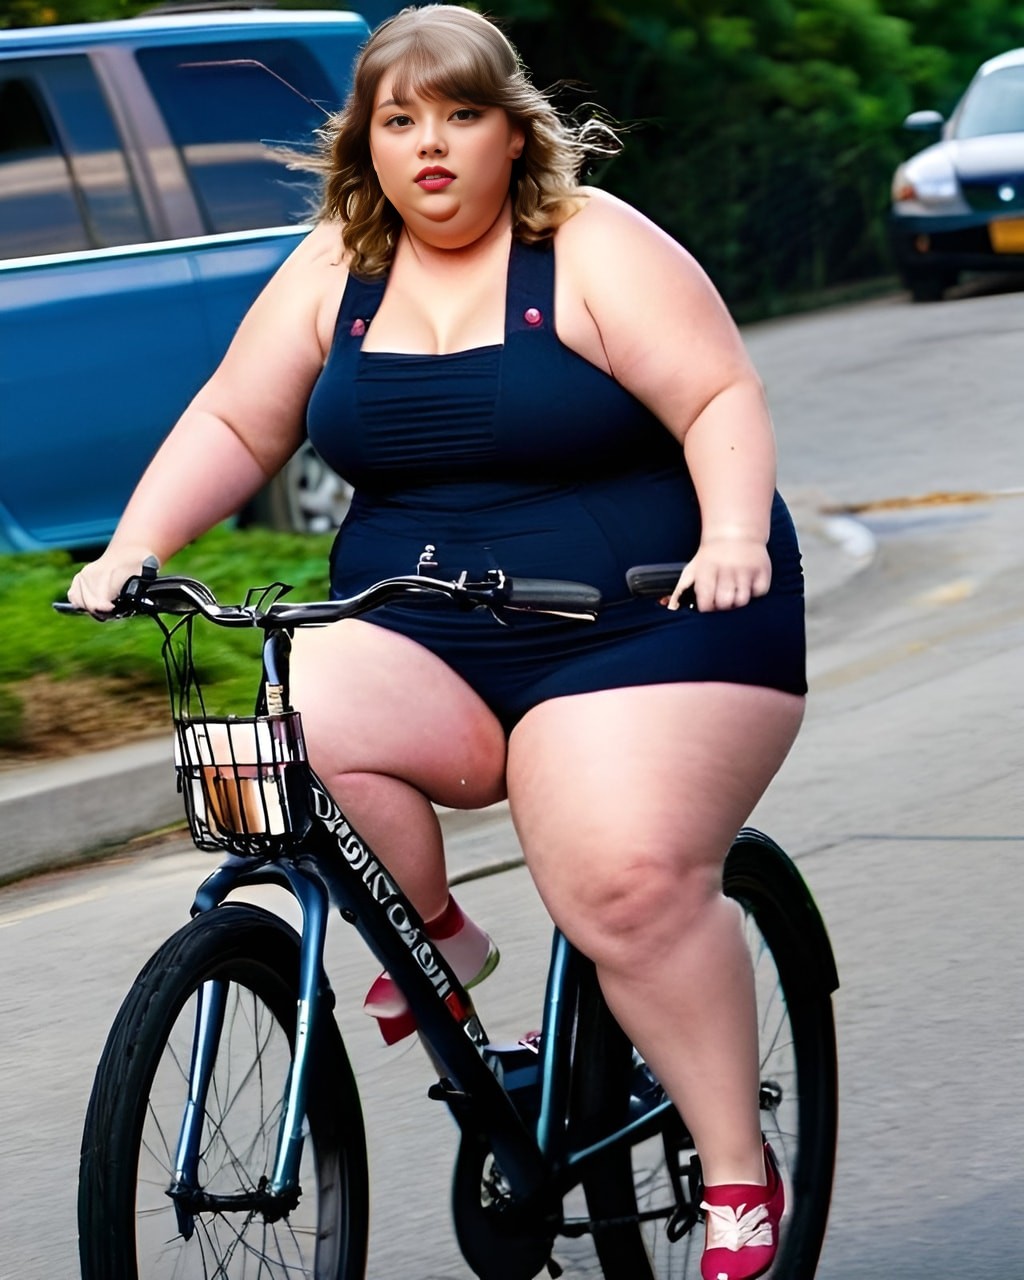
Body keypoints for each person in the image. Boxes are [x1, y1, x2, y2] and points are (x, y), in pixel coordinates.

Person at [68, 6, 806, 1277]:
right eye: (399, 120)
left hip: (643, 617)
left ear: (513, 135)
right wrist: (134, 548)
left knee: (620, 880)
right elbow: (239, 423)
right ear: (367, 141)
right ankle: (441, 936)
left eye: (460, 115)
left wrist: (731, 531)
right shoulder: (335, 265)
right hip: (418, 622)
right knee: (289, 730)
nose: (429, 146)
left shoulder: (589, 246)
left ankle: (736, 1167)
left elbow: (716, 394)